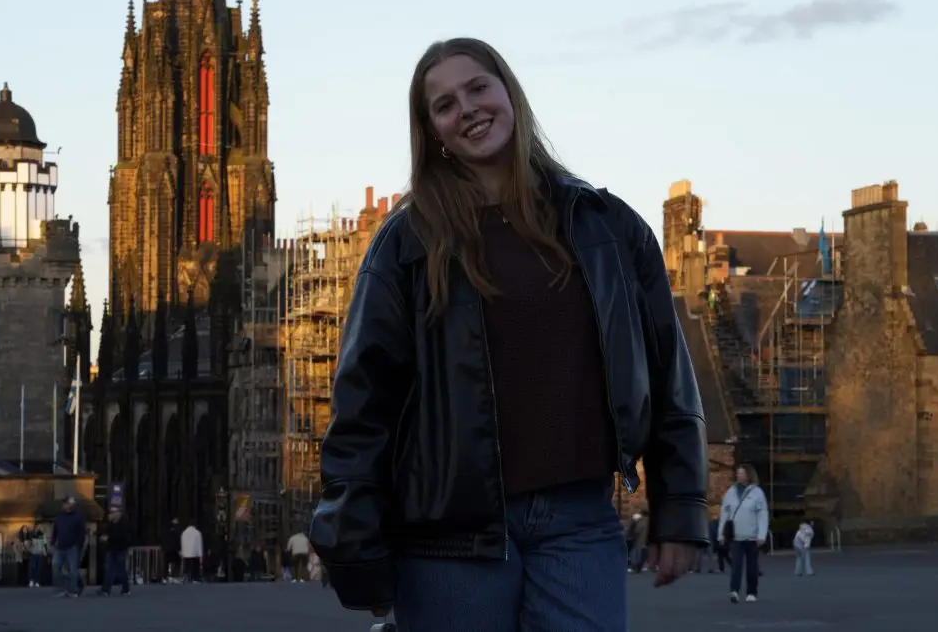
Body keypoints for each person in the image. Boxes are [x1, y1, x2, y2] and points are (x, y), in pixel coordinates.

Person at [310, 37, 709, 632]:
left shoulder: (604, 225)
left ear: (509, 94)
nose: (467, 109)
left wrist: (679, 509)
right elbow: (364, 401)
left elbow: (666, 369)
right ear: (433, 132)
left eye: (478, 88)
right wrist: (355, 543)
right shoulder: (405, 244)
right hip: (448, 532)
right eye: (445, 104)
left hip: (579, 519)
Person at [717, 464, 769, 604]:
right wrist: (721, 534)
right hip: (736, 535)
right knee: (736, 565)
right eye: (738, 473)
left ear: (748, 475)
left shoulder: (757, 493)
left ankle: (752, 592)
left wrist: (761, 535)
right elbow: (725, 513)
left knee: (752, 566)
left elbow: (762, 514)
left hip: (752, 536)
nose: (739, 475)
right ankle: (734, 590)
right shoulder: (731, 492)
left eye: (742, 473)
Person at [51, 497, 85, 597]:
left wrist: (79, 545)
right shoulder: (60, 516)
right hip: (60, 546)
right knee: (55, 566)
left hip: (72, 546)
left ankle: (72, 590)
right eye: (65, 504)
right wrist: (53, 541)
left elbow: (81, 532)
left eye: (68, 504)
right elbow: (55, 529)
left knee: (73, 569)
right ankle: (61, 589)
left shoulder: (78, 516)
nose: (65, 505)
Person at [99, 507, 133, 596]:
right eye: (111, 512)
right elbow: (104, 531)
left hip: (121, 549)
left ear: (119, 513)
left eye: (114, 512)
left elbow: (123, 537)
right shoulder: (110, 524)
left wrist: (108, 538)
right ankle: (105, 590)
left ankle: (126, 589)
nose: (111, 514)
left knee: (121, 570)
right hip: (111, 549)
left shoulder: (124, 524)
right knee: (109, 569)